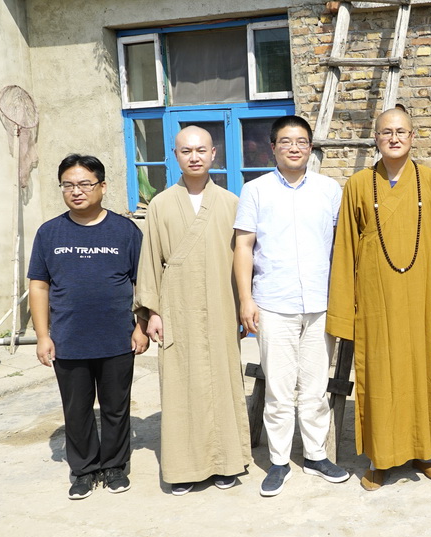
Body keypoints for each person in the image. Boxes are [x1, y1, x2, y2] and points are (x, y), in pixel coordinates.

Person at [327, 107, 431, 491]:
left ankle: (423, 452)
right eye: (387, 132)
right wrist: (343, 311)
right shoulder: (357, 185)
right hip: (375, 305)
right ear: (377, 138)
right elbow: (345, 252)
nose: (395, 138)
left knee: (420, 375)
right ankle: (380, 458)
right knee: (379, 378)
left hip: (417, 302)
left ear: (413, 136)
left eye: (401, 131)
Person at [234, 115, 350, 497]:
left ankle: (316, 455)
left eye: (301, 141)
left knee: (315, 388)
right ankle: (279, 461)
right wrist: (246, 299)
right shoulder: (256, 190)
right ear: (274, 147)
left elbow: (341, 246)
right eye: (286, 141)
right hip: (273, 303)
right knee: (279, 390)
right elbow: (244, 247)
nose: (295, 147)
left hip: (320, 303)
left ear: (310, 146)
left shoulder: (329, 189)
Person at [135, 126, 252, 495]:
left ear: (214, 153)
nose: (194, 156)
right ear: (175, 155)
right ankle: (184, 468)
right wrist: (151, 311)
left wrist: (243, 305)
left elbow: (243, 260)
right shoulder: (160, 205)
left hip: (221, 302)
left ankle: (226, 462)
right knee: (180, 382)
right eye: (186, 150)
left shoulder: (231, 202)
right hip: (177, 304)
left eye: (201, 149)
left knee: (223, 378)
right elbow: (151, 259)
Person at [29, 154, 148, 499]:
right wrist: (42, 336)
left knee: (115, 407)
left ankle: (113, 466)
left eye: (84, 184)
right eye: (68, 185)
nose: (76, 191)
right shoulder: (50, 232)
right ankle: (83, 470)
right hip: (69, 339)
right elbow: (39, 285)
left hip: (117, 338)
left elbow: (145, 282)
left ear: (102, 186)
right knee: (76, 409)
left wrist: (140, 325)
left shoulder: (125, 230)